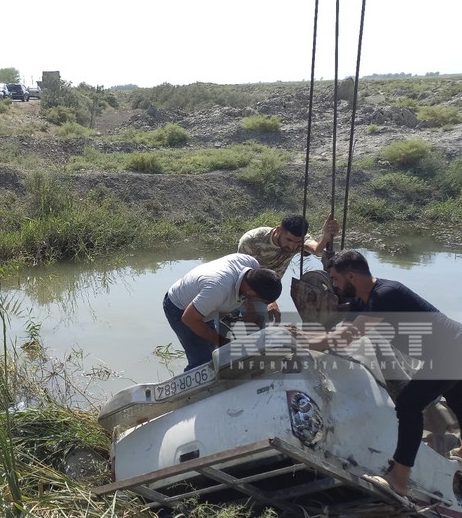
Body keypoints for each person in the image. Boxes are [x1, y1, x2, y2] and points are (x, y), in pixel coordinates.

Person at [290, 250, 462, 498]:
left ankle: (399, 477)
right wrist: (311, 333)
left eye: (336, 280)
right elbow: (342, 328)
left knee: (408, 406)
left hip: (450, 353)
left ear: (351, 275)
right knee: (457, 402)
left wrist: (308, 341)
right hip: (448, 350)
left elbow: (347, 337)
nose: (335, 287)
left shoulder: (385, 295)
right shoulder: (364, 298)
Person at [163, 253, 282, 371]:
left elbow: (247, 287)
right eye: (261, 301)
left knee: (213, 353)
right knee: (201, 362)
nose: (260, 303)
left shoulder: (251, 263)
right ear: (250, 292)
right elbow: (189, 319)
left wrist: (250, 309)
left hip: (203, 305)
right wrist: (222, 341)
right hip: (179, 308)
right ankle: (191, 388)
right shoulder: (218, 290)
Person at [238, 213, 339, 324]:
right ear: (278, 231)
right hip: (238, 288)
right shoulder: (252, 240)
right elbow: (242, 276)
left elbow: (317, 251)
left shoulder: (300, 240)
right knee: (222, 326)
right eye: (289, 240)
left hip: (262, 294)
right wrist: (253, 308)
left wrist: (325, 237)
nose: (292, 247)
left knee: (259, 329)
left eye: (297, 242)